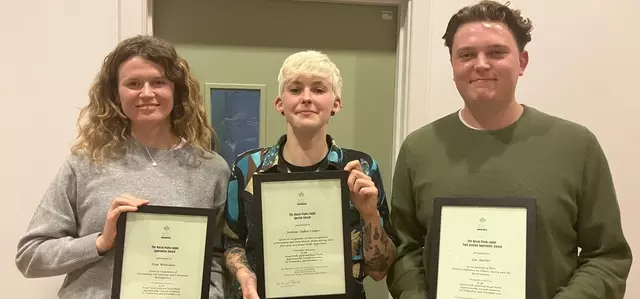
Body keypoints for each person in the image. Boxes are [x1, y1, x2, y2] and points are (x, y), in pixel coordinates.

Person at [386, 1, 632, 299]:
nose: (480, 64)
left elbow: (607, 256)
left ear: (522, 61)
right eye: (466, 55)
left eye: (496, 52)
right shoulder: (418, 149)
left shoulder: (576, 146)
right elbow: (404, 249)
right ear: (452, 65)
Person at [15, 35, 230, 299]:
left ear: (176, 89)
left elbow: (216, 256)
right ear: (116, 94)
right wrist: (100, 242)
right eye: (134, 84)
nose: (147, 93)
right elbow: (30, 256)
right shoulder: (85, 164)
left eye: (159, 82)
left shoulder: (212, 169)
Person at [222, 50, 397, 299]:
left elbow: (380, 271)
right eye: (295, 89)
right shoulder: (247, 167)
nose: (306, 98)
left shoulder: (361, 168)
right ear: (279, 103)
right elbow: (231, 242)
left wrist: (370, 214)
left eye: (318, 89)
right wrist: (243, 275)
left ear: (336, 103)